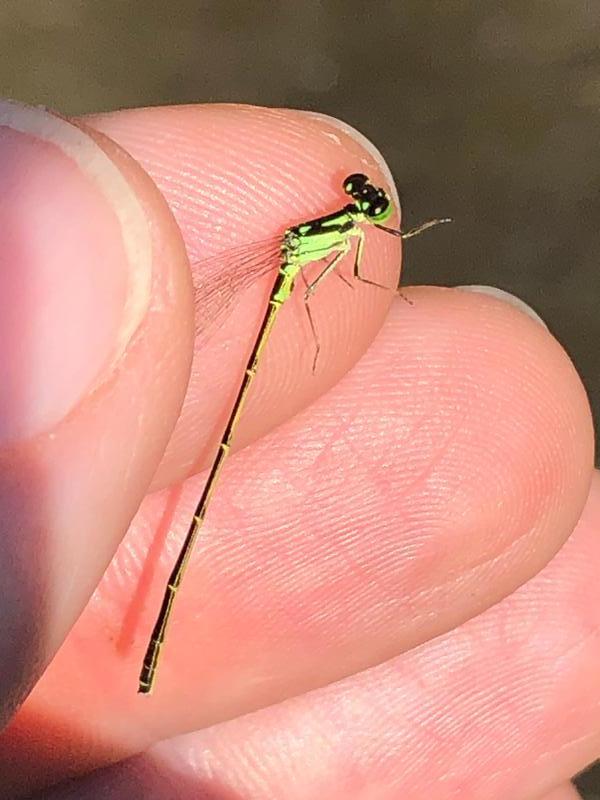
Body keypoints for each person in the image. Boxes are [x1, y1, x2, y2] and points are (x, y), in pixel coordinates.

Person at [0, 100, 594, 800]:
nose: (370, 213)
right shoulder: (338, 235)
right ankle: (153, 648)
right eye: (367, 207)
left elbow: (329, 271)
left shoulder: (342, 231)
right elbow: (332, 276)